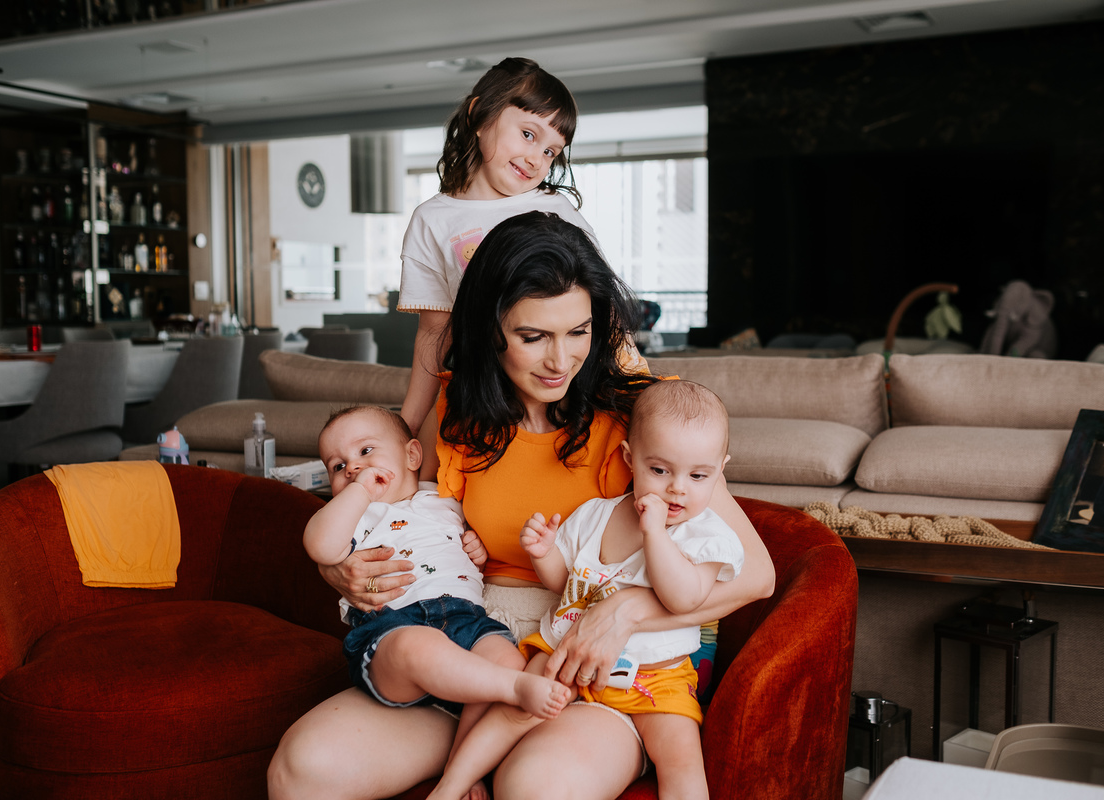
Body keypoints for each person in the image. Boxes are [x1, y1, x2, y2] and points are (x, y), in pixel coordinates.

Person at [268, 211, 775, 800]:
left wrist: (627, 611)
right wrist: (338, 569)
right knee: (302, 770)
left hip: (587, 665)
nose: (561, 361)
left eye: (579, 331)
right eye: (533, 337)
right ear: (490, 330)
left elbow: (757, 576)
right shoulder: (456, 411)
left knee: (534, 788)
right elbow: (392, 511)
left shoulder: (646, 419)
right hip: (468, 648)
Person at [428, 380, 744, 800]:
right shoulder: (596, 514)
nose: (677, 488)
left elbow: (683, 599)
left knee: (683, 762)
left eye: (698, 475)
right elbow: (565, 583)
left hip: (656, 678)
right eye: (660, 470)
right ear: (630, 459)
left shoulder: (706, 535)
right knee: (512, 711)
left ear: (720, 471)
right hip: (566, 648)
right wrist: (544, 553)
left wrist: (655, 534)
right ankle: (451, 785)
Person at [396, 57, 646, 440]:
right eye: (528, 135)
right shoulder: (431, 220)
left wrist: (640, 397)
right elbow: (434, 334)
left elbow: (603, 307)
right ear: (479, 115)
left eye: (550, 152)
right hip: (492, 396)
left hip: (574, 395)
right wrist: (407, 426)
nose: (535, 159)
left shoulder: (556, 210)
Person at [304, 406, 572, 753]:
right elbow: (320, 545)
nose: (353, 468)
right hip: (393, 628)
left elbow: (460, 541)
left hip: (466, 618)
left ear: (412, 456)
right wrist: (359, 492)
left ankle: (465, 761)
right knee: (416, 647)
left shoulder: (441, 498)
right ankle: (513, 687)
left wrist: (475, 549)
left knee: (505, 658)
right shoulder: (353, 515)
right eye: (338, 467)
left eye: (365, 451)